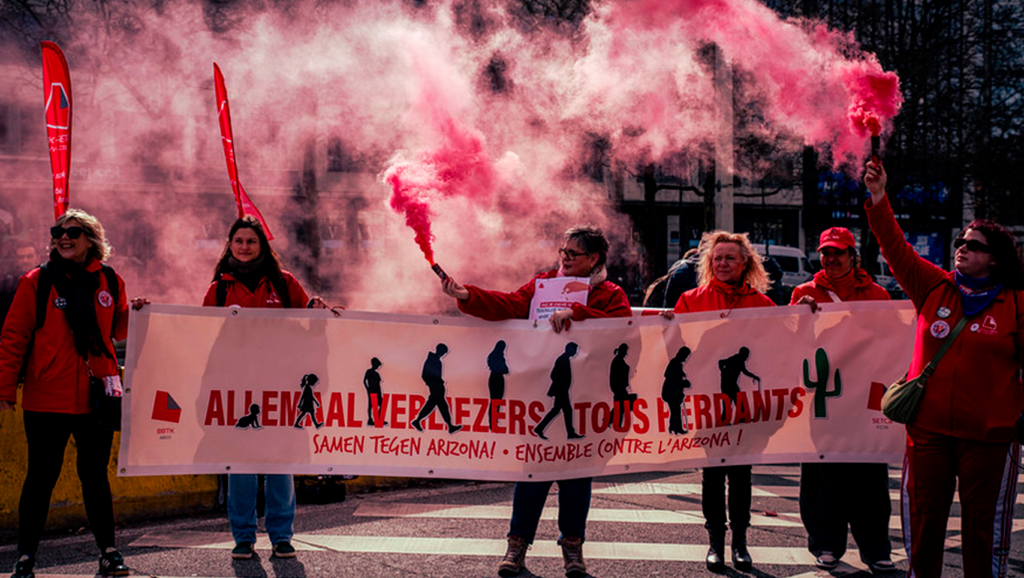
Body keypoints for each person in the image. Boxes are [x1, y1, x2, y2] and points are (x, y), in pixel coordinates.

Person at [440, 225, 631, 578]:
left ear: (594, 259)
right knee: (533, 472)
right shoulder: (544, 284)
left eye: (573, 253)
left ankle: (572, 549)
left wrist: (578, 314)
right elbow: (511, 304)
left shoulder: (610, 293)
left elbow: (622, 327)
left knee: (577, 477)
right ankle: (516, 547)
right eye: (563, 251)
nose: (565, 258)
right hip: (539, 395)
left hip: (586, 401)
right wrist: (469, 296)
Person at [865, 161, 1023, 578]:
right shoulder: (933, 285)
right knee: (924, 518)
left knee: (980, 527)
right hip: (928, 431)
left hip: (990, 437)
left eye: (974, 244)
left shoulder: (1019, 304)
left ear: (995, 260)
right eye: (960, 241)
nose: (962, 247)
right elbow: (895, 247)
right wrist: (880, 198)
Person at [0, 209, 130, 578]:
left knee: (95, 477)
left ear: (92, 238)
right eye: (58, 232)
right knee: (41, 477)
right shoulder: (36, 281)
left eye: (73, 232)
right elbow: (13, 338)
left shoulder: (110, 280)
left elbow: (118, 331)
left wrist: (139, 311)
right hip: (47, 396)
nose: (63, 238)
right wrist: (5, 388)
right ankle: (25, 558)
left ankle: (109, 553)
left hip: (98, 394)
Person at [202, 216, 310, 561]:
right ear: (229, 245)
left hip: (280, 385)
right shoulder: (218, 288)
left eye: (251, 241)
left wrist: (321, 310)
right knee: (241, 467)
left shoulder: (284, 283)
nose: (245, 247)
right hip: (235, 387)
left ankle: (281, 536)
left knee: (280, 464)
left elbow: (310, 322)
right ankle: (243, 537)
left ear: (262, 245)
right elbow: (198, 333)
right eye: (239, 241)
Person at [790, 226, 895, 572]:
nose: (831, 258)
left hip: (864, 399)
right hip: (823, 399)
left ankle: (876, 547)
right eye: (825, 252)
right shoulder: (804, 293)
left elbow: (891, 343)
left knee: (869, 477)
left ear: (853, 256)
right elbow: (789, 343)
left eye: (838, 252)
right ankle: (826, 544)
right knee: (822, 474)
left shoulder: (877, 294)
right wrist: (799, 320)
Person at [672, 230, 775, 572]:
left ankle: (740, 543)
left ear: (745, 263)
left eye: (730, 258)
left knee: (742, 474)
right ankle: (715, 542)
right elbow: (677, 348)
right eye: (717, 258)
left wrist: (805, 315)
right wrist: (666, 328)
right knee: (713, 475)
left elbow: (785, 343)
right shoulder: (691, 300)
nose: (722, 263)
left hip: (744, 407)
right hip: (706, 403)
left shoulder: (762, 304)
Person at [411, 343, 463, 434]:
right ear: (440, 350)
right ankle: (449, 426)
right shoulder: (432, 360)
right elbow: (425, 375)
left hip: (438, 387)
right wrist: (434, 384)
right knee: (440, 406)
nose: (444, 354)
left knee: (434, 405)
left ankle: (418, 420)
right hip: (436, 388)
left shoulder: (436, 360)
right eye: (443, 352)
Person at [661, 346, 692, 435]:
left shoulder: (675, 362)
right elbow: (676, 380)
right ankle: (676, 428)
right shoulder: (675, 364)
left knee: (675, 411)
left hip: (671, 392)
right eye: (686, 356)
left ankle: (673, 428)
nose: (686, 358)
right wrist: (685, 383)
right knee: (676, 411)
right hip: (671, 393)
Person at [486, 341, 509, 431]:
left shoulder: (491, 356)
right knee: (497, 401)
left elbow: (505, 370)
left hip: (493, 378)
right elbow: (505, 370)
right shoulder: (501, 358)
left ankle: (492, 422)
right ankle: (494, 422)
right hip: (498, 379)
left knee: (494, 401)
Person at [363, 358, 385, 426]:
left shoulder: (376, 374)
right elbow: (364, 381)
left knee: (380, 404)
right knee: (371, 405)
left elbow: (379, 384)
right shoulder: (369, 371)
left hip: (377, 391)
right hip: (372, 391)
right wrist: (367, 389)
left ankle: (378, 419)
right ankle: (370, 419)